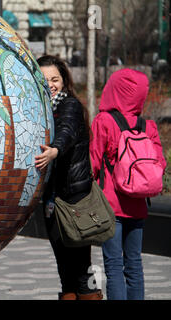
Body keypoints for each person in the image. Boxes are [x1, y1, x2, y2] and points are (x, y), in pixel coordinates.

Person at [90, 69, 167, 300]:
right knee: (134, 264)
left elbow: (92, 162)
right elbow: (159, 163)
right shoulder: (148, 126)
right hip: (139, 204)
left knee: (113, 266)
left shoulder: (104, 121)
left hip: (110, 206)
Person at [35, 55, 103, 300]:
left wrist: (55, 150)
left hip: (74, 199)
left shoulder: (69, 105)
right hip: (53, 200)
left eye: (55, 79)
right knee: (64, 271)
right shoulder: (40, 109)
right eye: (45, 80)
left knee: (81, 269)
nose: (51, 84)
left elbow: (67, 131)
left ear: (64, 81)